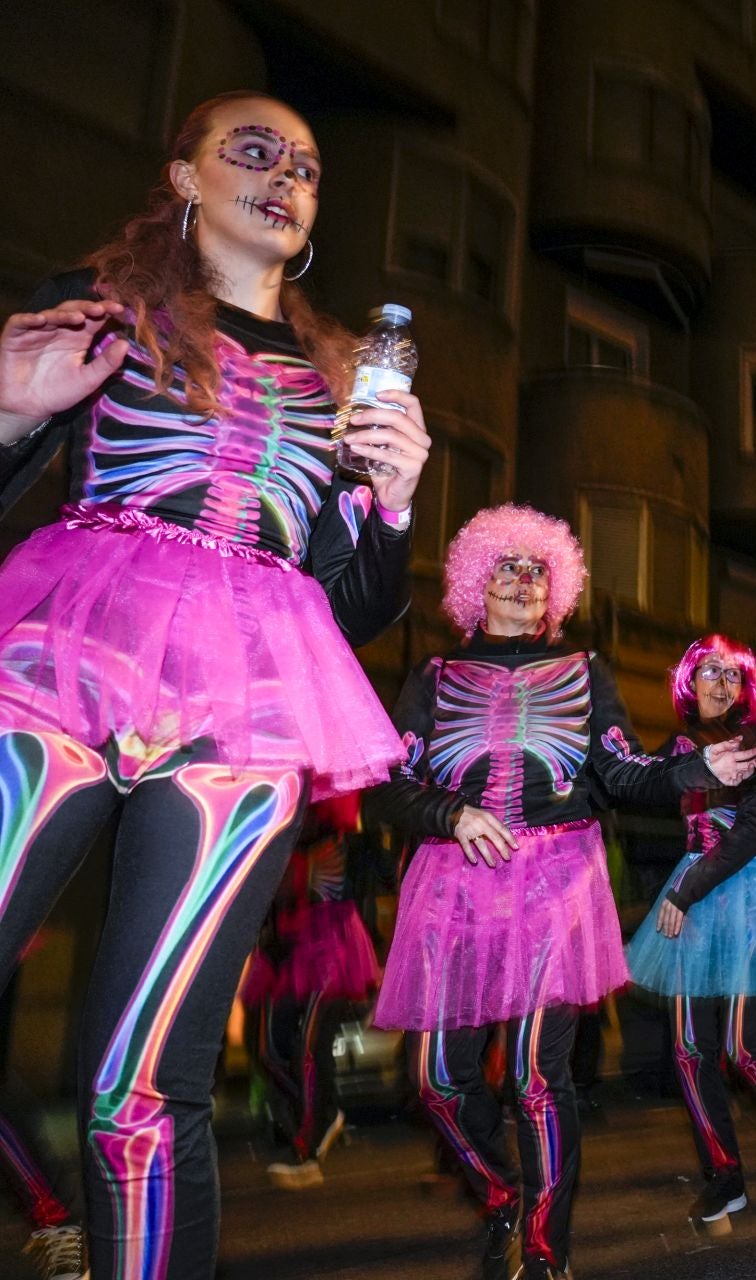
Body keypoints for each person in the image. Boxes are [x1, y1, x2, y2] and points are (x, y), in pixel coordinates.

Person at [0, 91, 427, 1278]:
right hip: (63, 661)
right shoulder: (103, 313)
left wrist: (392, 505)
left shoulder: (346, 381)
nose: (285, 175)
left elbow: (351, 605)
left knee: (140, 1082)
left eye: (308, 165)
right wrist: (9, 411)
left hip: (246, 709)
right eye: (253, 150)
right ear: (185, 176)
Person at [366, 505, 756, 1280]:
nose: (522, 579)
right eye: (506, 566)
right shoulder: (435, 677)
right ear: (476, 581)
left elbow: (622, 770)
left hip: (555, 880)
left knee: (536, 1074)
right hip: (453, 886)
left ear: (557, 589)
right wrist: (451, 813)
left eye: (536, 569)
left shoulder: (584, 672)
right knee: (437, 1081)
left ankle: (547, 1251)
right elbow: (390, 782)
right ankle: (502, 1198)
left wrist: (695, 769)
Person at [626, 634, 756, 1229]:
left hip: (754, 889)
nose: (721, 683)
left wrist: (685, 891)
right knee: (689, 1049)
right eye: (710, 672)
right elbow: (628, 782)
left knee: (743, 1043)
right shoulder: (677, 748)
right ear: (690, 681)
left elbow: (750, 832)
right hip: (694, 895)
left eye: (733, 674)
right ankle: (724, 1174)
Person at [240, 792, 382, 1189]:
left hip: (333, 944)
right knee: (269, 1050)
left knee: (310, 1046)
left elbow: (346, 854)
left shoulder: (334, 825)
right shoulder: (274, 831)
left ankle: (309, 1149)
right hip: (285, 945)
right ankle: (323, 1112)